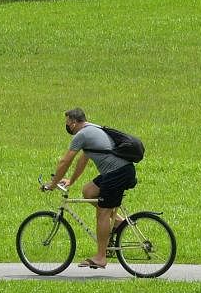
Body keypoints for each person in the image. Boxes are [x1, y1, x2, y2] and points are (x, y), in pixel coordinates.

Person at [45, 108, 137, 269]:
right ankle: (118, 223)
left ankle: (101, 258)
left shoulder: (82, 135)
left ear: (73, 122)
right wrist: (71, 181)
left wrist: (53, 184)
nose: (67, 126)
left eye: (67, 123)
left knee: (102, 212)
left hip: (117, 173)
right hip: (119, 171)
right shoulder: (92, 129)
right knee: (89, 191)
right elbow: (83, 159)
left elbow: (64, 161)